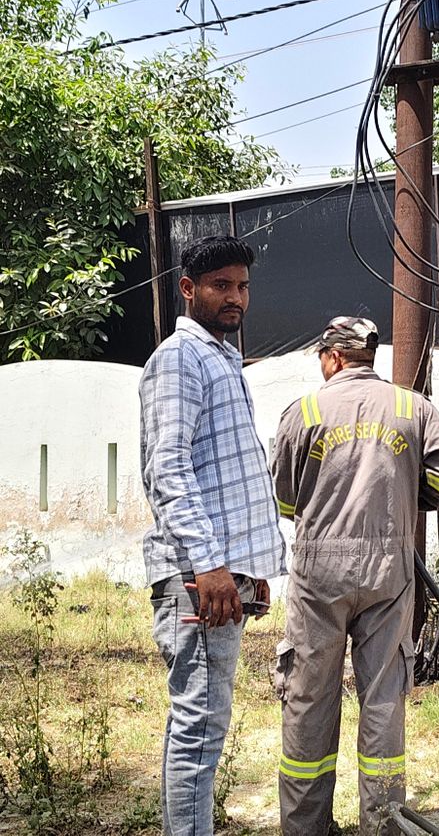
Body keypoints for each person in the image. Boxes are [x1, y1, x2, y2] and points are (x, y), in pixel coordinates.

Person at [271, 317, 439, 836]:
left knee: (309, 697)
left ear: (334, 357)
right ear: (369, 356)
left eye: (321, 356)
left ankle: (305, 827)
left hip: (319, 573)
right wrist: (409, 498)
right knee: (382, 696)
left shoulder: (305, 411)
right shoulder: (412, 408)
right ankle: (382, 824)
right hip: (389, 566)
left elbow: (286, 499)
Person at [139, 234, 286, 836]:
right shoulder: (180, 358)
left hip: (222, 578)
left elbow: (222, 472)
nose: (236, 298)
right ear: (188, 289)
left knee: (199, 725)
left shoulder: (221, 357)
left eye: (243, 287)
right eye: (222, 286)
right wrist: (212, 568)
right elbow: (167, 469)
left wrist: (248, 572)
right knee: (199, 726)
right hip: (199, 581)